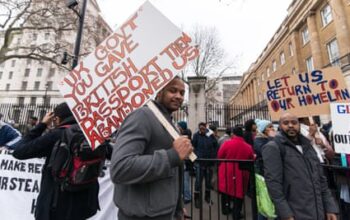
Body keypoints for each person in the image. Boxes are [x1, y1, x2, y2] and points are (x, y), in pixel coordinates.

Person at [110, 76, 193, 220]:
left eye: (182, 93)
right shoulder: (142, 116)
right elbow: (120, 168)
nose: (178, 96)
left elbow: (172, 174)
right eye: (172, 91)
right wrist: (172, 155)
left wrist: (177, 207)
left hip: (166, 212)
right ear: (159, 91)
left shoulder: (169, 122)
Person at [13, 103, 101, 220]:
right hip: (85, 203)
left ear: (57, 119)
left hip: (56, 204)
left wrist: (42, 125)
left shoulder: (57, 135)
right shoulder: (92, 135)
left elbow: (19, 151)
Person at [262, 113, 338, 220]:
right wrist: (286, 214)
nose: (290, 125)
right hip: (294, 212)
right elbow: (273, 184)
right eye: (286, 123)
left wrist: (330, 207)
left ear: (299, 125)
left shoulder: (308, 146)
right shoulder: (273, 147)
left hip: (317, 211)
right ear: (280, 126)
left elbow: (321, 180)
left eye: (294, 122)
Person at [218, 126, 254, 220]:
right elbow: (251, 159)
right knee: (238, 194)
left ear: (233, 134)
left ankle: (225, 209)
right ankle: (236, 214)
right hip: (241, 172)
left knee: (225, 191)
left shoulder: (227, 143)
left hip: (227, 171)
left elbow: (220, 155)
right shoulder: (248, 147)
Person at [192, 122, 219, 208]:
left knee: (208, 181)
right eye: (200, 129)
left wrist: (213, 156)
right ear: (199, 128)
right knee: (198, 181)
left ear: (206, 128)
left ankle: (207, 197)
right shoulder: (196, 135)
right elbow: (193, 146)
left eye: (203, 128)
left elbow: (216, 145)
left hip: (209, 162)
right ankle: (197, 199)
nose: (202, 130)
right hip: (200, 162)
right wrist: (197, 156)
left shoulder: (210, 135)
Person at [177, 121, 193, 204]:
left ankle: (187, 196)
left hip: (185, 161)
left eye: (179, 126)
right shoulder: (188, 135)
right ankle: (186, 195)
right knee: (185, 179)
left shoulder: (184, 136)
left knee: (185, 180)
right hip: (187, 161)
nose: (177, 127)